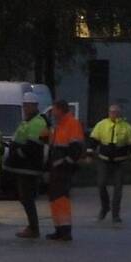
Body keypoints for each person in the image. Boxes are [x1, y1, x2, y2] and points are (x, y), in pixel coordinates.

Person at [6, 92, 50, 239]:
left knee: (27, 198)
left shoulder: (37, 122)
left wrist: (18, 152)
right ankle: (32, 227)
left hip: (29, 167)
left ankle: (33, 228)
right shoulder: (29, 121)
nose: (25, 109)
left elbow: (33, 147)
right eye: (24, 106)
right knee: (24, 197)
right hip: (23, 166)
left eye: (27, 106)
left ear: (34, 106)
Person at [88, 104, 131, 223]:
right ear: (108, 113)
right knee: (101, 184)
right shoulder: (101, 124)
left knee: (118, 188)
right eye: (111, 112)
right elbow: (93, 140)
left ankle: (116, 214)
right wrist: (89, 155)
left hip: (120, 162)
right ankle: (105, 207)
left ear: (120, 113)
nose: (113, 114)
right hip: (104, 160)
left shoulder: (127, 127)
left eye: (116, 112)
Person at [46, 100, 85, 241]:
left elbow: (76, 149)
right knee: (55, 198)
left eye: (54, 109)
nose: (52, 112)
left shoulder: (72, 123)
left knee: (61, 198)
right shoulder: (59, 124)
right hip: (57, 167)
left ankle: (65, 230)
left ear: (60, 110)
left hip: (63, 168)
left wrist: (64, 163)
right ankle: (59, 229)